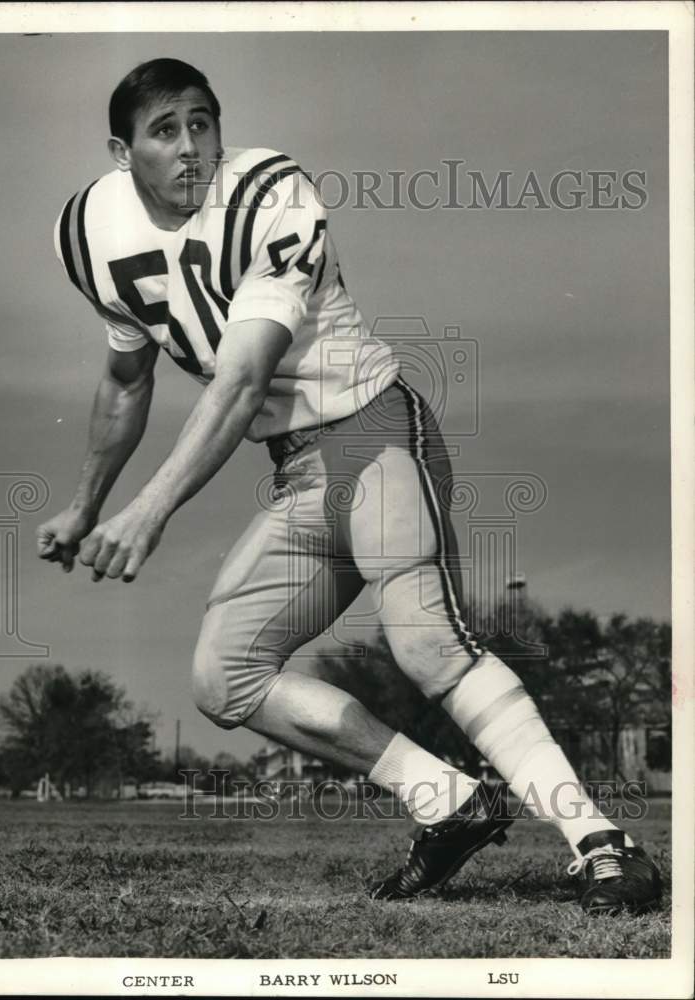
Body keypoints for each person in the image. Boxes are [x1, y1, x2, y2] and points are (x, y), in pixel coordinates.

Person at [37, 58, 662, 914]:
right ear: (121, 150)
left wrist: (148, 511)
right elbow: (125, 381)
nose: (190, 149)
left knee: (425, 645)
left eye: (202, 123)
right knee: (225, 679)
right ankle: (447, 800)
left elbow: (243, 381)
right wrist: (86, 503)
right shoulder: (90, 233)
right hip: (298, 473)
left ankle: (601, 840)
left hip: (372, 436)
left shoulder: (267, 193)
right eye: (165, 131)